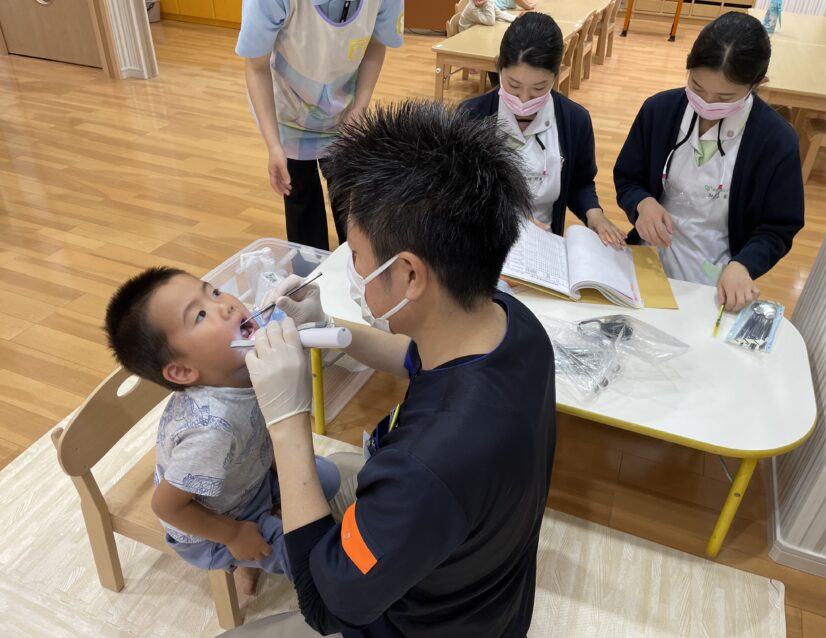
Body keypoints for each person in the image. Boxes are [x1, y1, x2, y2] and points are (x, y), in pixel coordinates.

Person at [244, 100, 556, 635]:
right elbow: (416, 360)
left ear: (409, 274)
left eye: (356, 253)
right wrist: (328, 324)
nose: (352, 267)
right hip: (490, 596)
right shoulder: (513, 324)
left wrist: (287, 424)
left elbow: (323, 606)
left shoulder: (424, 470)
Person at [104, 267, 340, 595]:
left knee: (327, 479)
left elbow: (263, 429)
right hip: (213, 524)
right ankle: (241, 556)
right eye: (200, 315)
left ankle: (252, 551)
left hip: (247, 478)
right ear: (183, 370)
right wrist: (233, 535)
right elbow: (167, 506)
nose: (226, 305)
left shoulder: (239, 365)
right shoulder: (211, 431)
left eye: (213, 292)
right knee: (306, 559)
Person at [613, 13, 804, 311]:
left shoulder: (776, 141)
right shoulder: (659, 111)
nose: (708, 104)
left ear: (757, 83)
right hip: (646, 262)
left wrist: (744, 265)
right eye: (697, 88)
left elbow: (777, 227)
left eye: (725, 97)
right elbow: (627, 178)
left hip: (716, 280)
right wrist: (642, 202)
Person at [237, 0, 404, 251]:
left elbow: (376, 43)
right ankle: (311, 278)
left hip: (343, 107)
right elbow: (256, 66)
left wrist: (359, 108)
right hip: (287, 110)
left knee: (349, 198)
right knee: (300, 196)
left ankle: (355, 272)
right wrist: (273, 145)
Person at [461, 12, 626, 247]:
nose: (525, 99)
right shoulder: (471, 117)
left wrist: (594, 214)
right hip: (482, 247)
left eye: (539, 88)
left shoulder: (574, 121)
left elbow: (580, 183)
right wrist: (508, 219)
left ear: (555, 76)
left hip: (544, 250)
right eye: (513, 86)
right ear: (499, 68)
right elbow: (455, 195)